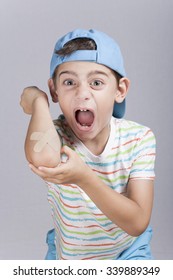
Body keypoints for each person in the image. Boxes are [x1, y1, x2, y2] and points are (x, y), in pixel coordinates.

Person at [20, 29, 156, 260]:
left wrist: (84, 177)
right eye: (69, 82)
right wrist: (39, 102)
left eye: (96, 82)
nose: (82, 93)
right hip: (70, 256)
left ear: (120, 90)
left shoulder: (139, 138)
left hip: (127, 254)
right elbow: (43, 158)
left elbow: (137, 222)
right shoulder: (55, 136)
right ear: (55, 90)